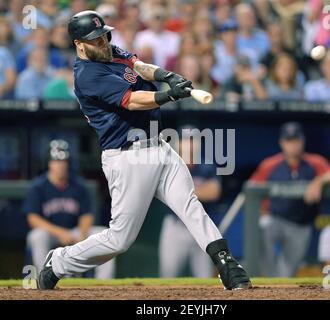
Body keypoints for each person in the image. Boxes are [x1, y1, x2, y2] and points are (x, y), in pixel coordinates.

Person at [37, 10, 251, 291]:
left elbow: (139, 66)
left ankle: (227, 266)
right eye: (94, 39)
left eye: (104, 36)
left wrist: (168, 75)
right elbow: (134, 100)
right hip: (127, 156)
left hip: (159, 145)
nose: (102, 42)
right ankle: (59, 262)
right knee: (120, 239)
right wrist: (168, 94)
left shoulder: (109, 49)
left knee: (190, 206)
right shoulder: (87, 75)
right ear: (78, 44)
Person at [249, 122, 330, 277]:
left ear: (302, 141)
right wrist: (263, 212)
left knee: (287, 273)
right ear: (282, 143)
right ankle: (268, 279)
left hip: (300, 225)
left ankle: (279, 287)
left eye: (296, 140)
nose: (293, 145)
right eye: (289, 141)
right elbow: (252, 188)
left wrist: (319, 181)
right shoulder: (270, 164)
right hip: (275, 220)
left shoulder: (314, 162)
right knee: (262, 226)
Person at [24, 140, 115, 279]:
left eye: (64, 161)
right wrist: (61, 233)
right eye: (56, 161)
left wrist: (81, 235)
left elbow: (87, 215)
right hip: (51, 234)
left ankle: (105, 282)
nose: (61, 165)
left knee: (103, 233)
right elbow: (33, 219)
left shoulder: (78, 185)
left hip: (75, 231)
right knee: (38, 235)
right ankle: (45, 279)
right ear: (49, 163)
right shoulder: (38, 187)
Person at [159, 127, 221, 278]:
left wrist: (182, 191)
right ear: (178, 143)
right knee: (168, 275)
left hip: (200, 225)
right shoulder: (169, 164)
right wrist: (199, 190)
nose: (190, 144)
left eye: (193, 140)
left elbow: (213, 193)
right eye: (186, 140)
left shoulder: (207, 166)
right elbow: (167, 193)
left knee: (204, 276)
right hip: (175, 226)